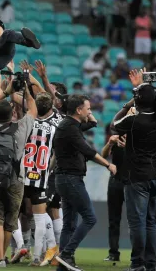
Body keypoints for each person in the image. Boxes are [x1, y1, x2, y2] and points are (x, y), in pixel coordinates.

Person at [112, 66, 156, 271]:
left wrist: (130, 102)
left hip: (138, 176)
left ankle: (137, 264)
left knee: (137, 222)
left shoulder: (134, 118)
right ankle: (151, 264)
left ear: (137, 100)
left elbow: (114, 123)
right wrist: (147, 87)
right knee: (151, 221)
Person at [0, 70, 37, 267]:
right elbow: (33, 110)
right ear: (12, 114)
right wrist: (26, 90)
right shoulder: (20, 128)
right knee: (10, 219)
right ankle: (2, 257)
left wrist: (5, 92)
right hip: (15, 178)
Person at [55, 95, 116, 271]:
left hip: (64, 178)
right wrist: (108, 164)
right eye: (87, 108)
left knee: (69, 225)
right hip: (70, 179)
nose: (90, 112)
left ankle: (63, 266)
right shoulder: (70, 128)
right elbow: (88, 152)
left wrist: (90, 117)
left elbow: (93, 123)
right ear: (78, 110)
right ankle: (67, 254)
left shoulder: (70, 125)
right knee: (90, 218)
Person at [21, 92, 60, 266]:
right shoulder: (53, 128)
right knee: (39, 217)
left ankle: (20, 249)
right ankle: (38, 256)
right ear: (50, 107)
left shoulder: (26, 122)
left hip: (22, 176)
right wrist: (48, 170)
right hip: (41, 176)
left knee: (16, 214)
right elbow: (55, 156)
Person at [101, 132, 126, 263]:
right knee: (113, 220)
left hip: (133, 183)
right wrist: (110, 143)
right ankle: (113, 253)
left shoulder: (138, 136)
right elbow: (103, 156)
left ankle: (139, 255)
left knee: (136, 220)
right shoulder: (116, 138)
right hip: (115, 181)